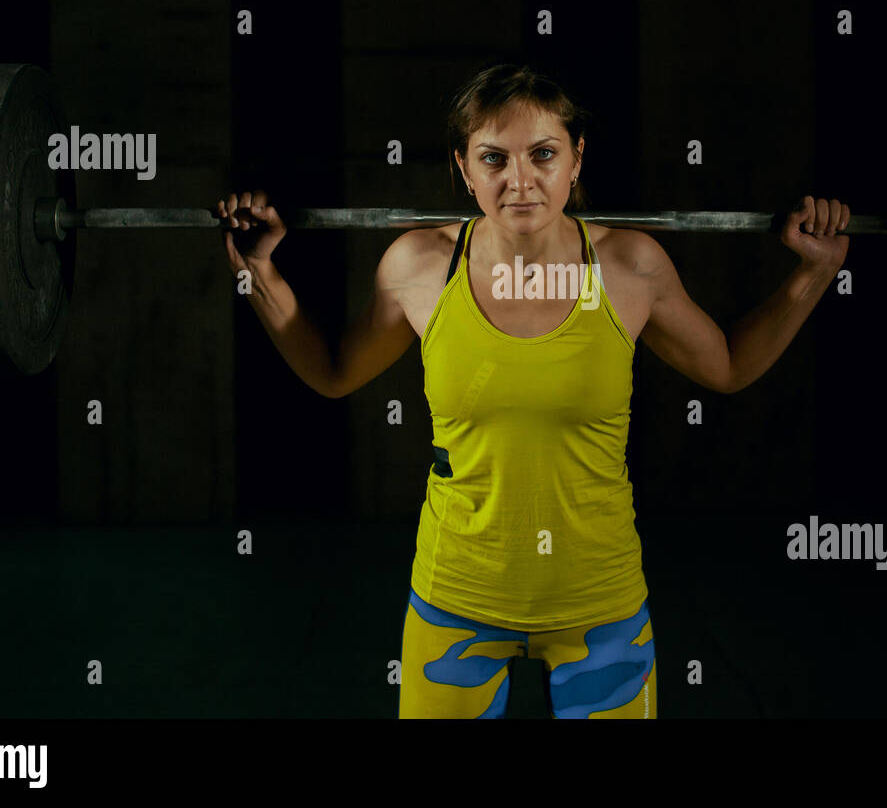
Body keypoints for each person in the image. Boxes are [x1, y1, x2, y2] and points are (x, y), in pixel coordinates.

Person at [217, 63, 850, 718]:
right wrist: (261, 274)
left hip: (598, 608)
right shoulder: (419, 267)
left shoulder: (631, 267)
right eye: (494, 158)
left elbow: (728, 367)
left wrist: (814, 276)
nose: (520, 181)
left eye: (543, 154)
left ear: (576, 159)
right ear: (464, 168)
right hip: (456, 600)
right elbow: (332, 373)